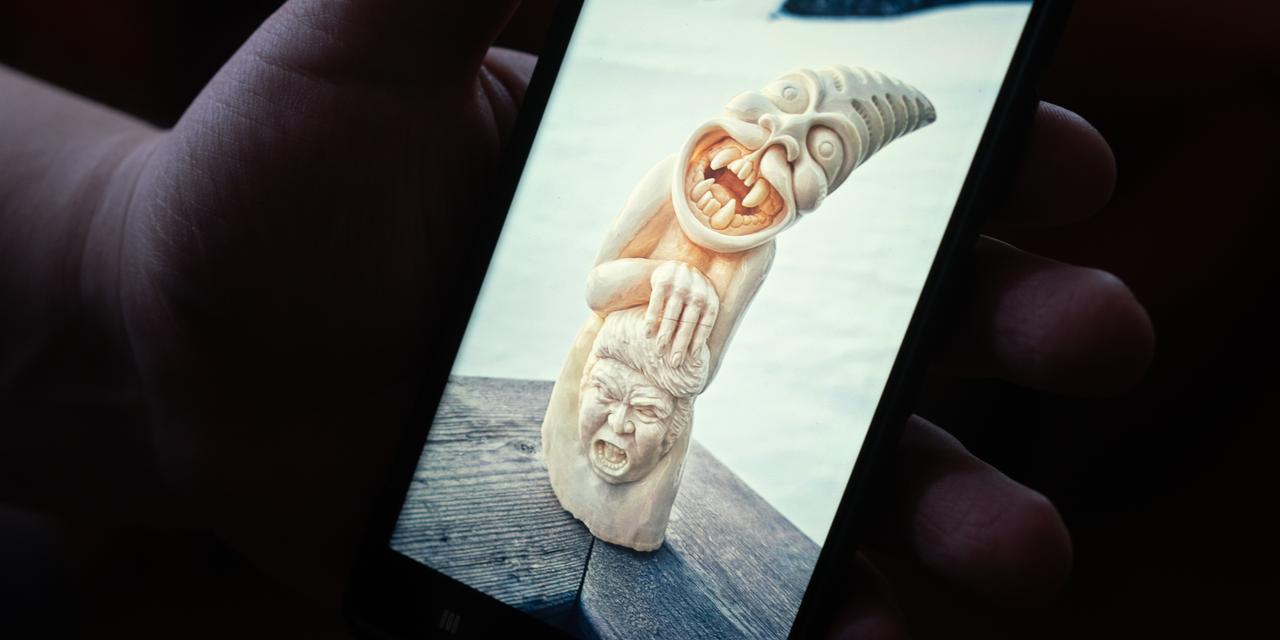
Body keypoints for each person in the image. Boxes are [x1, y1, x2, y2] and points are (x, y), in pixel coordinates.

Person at [0, 2, 1154, 637]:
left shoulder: (750, 263)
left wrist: (679, 354)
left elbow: (704, 369)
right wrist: (646, 296)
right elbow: (604, 277)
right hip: (608, 357)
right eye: (764, 124)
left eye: (801, 169)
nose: (756, 170)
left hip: (650, 397)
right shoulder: (675, 175)